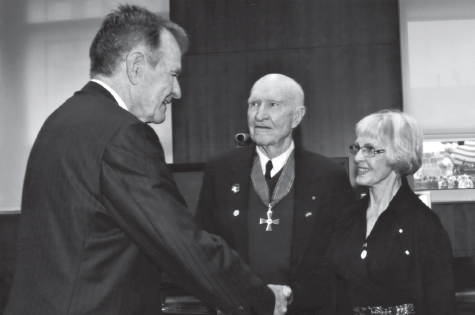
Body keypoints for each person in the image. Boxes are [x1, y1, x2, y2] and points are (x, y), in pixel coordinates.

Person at [4, 5, 291, 315]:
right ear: (137, 67)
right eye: (173, 74)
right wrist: (259, 298)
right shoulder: (122, 134)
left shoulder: (60, 121)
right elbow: (182, 243)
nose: (178, 91)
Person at [195, 74, 355, 314]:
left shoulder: (329, 176)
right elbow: (203, 245)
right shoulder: (220, 170)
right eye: (254, 104)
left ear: (297, 116)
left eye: (273, 105)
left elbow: (339, 256)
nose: (260, 115)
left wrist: (292, 297)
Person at [327, 110, 456, 314]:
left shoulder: (423, 223)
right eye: (358, 148)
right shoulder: (349, 217)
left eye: (370, 149)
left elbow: (441, 303)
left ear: (398, 154)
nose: (358, 157)